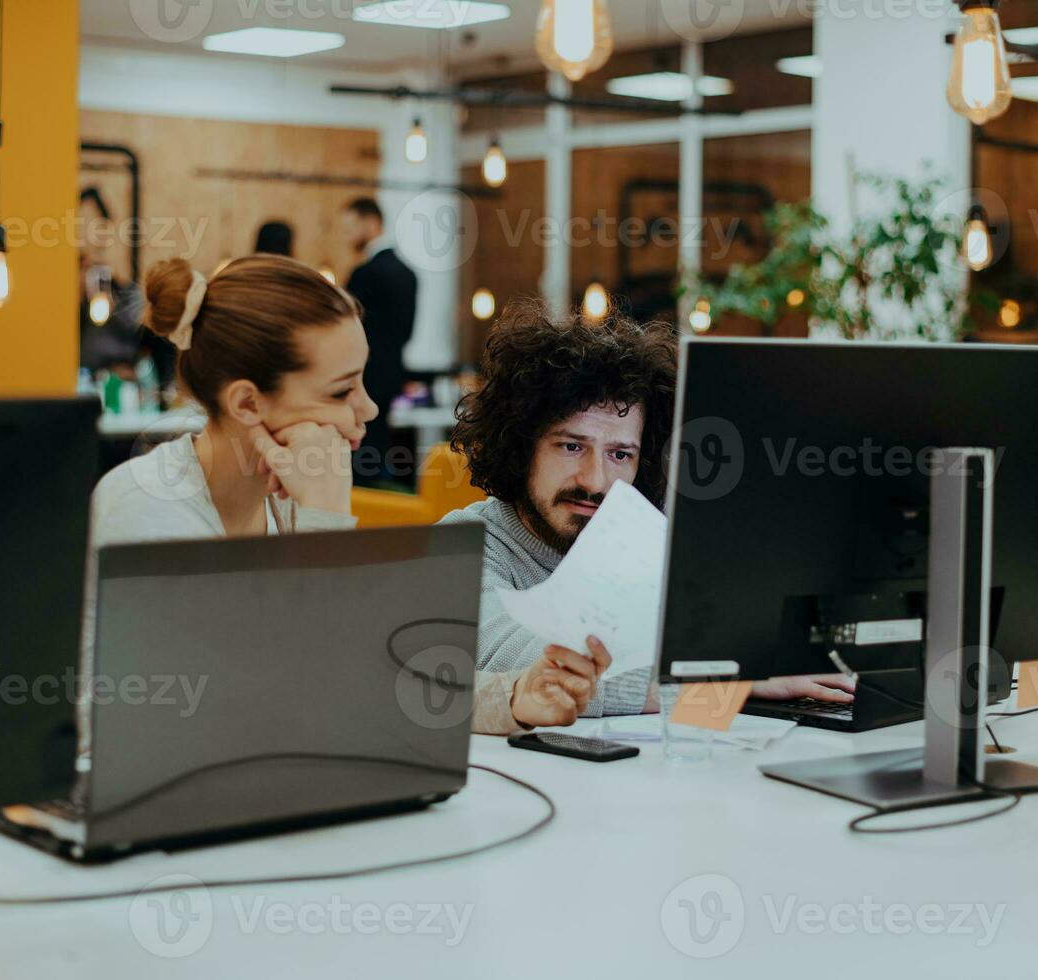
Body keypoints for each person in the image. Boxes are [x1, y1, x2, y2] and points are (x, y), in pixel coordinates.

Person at [82, 255, 599, 741]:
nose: (368, 408)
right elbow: (270, 705)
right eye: (340, 391)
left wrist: (514, 695)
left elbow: (368, 675)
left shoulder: (282, 500)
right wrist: (324, 521)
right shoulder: (146, 506)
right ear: (247, 403)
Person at [439, 299, 857, 716]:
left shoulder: (653, 540)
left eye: (620, 455)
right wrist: (731, 681)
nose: (595, 481)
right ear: (520, 445)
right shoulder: (461, 543)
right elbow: (537, 671)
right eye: (571, 446)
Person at [340, 197, 416, 486]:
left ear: (371, 223)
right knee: (377, 445)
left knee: (358, 454)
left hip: (362, 376)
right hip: (392, 374)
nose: (345, 235)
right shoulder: (407, 273)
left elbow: (343, 332)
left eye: (350, 227)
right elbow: (406, 332)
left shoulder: (365, 274)